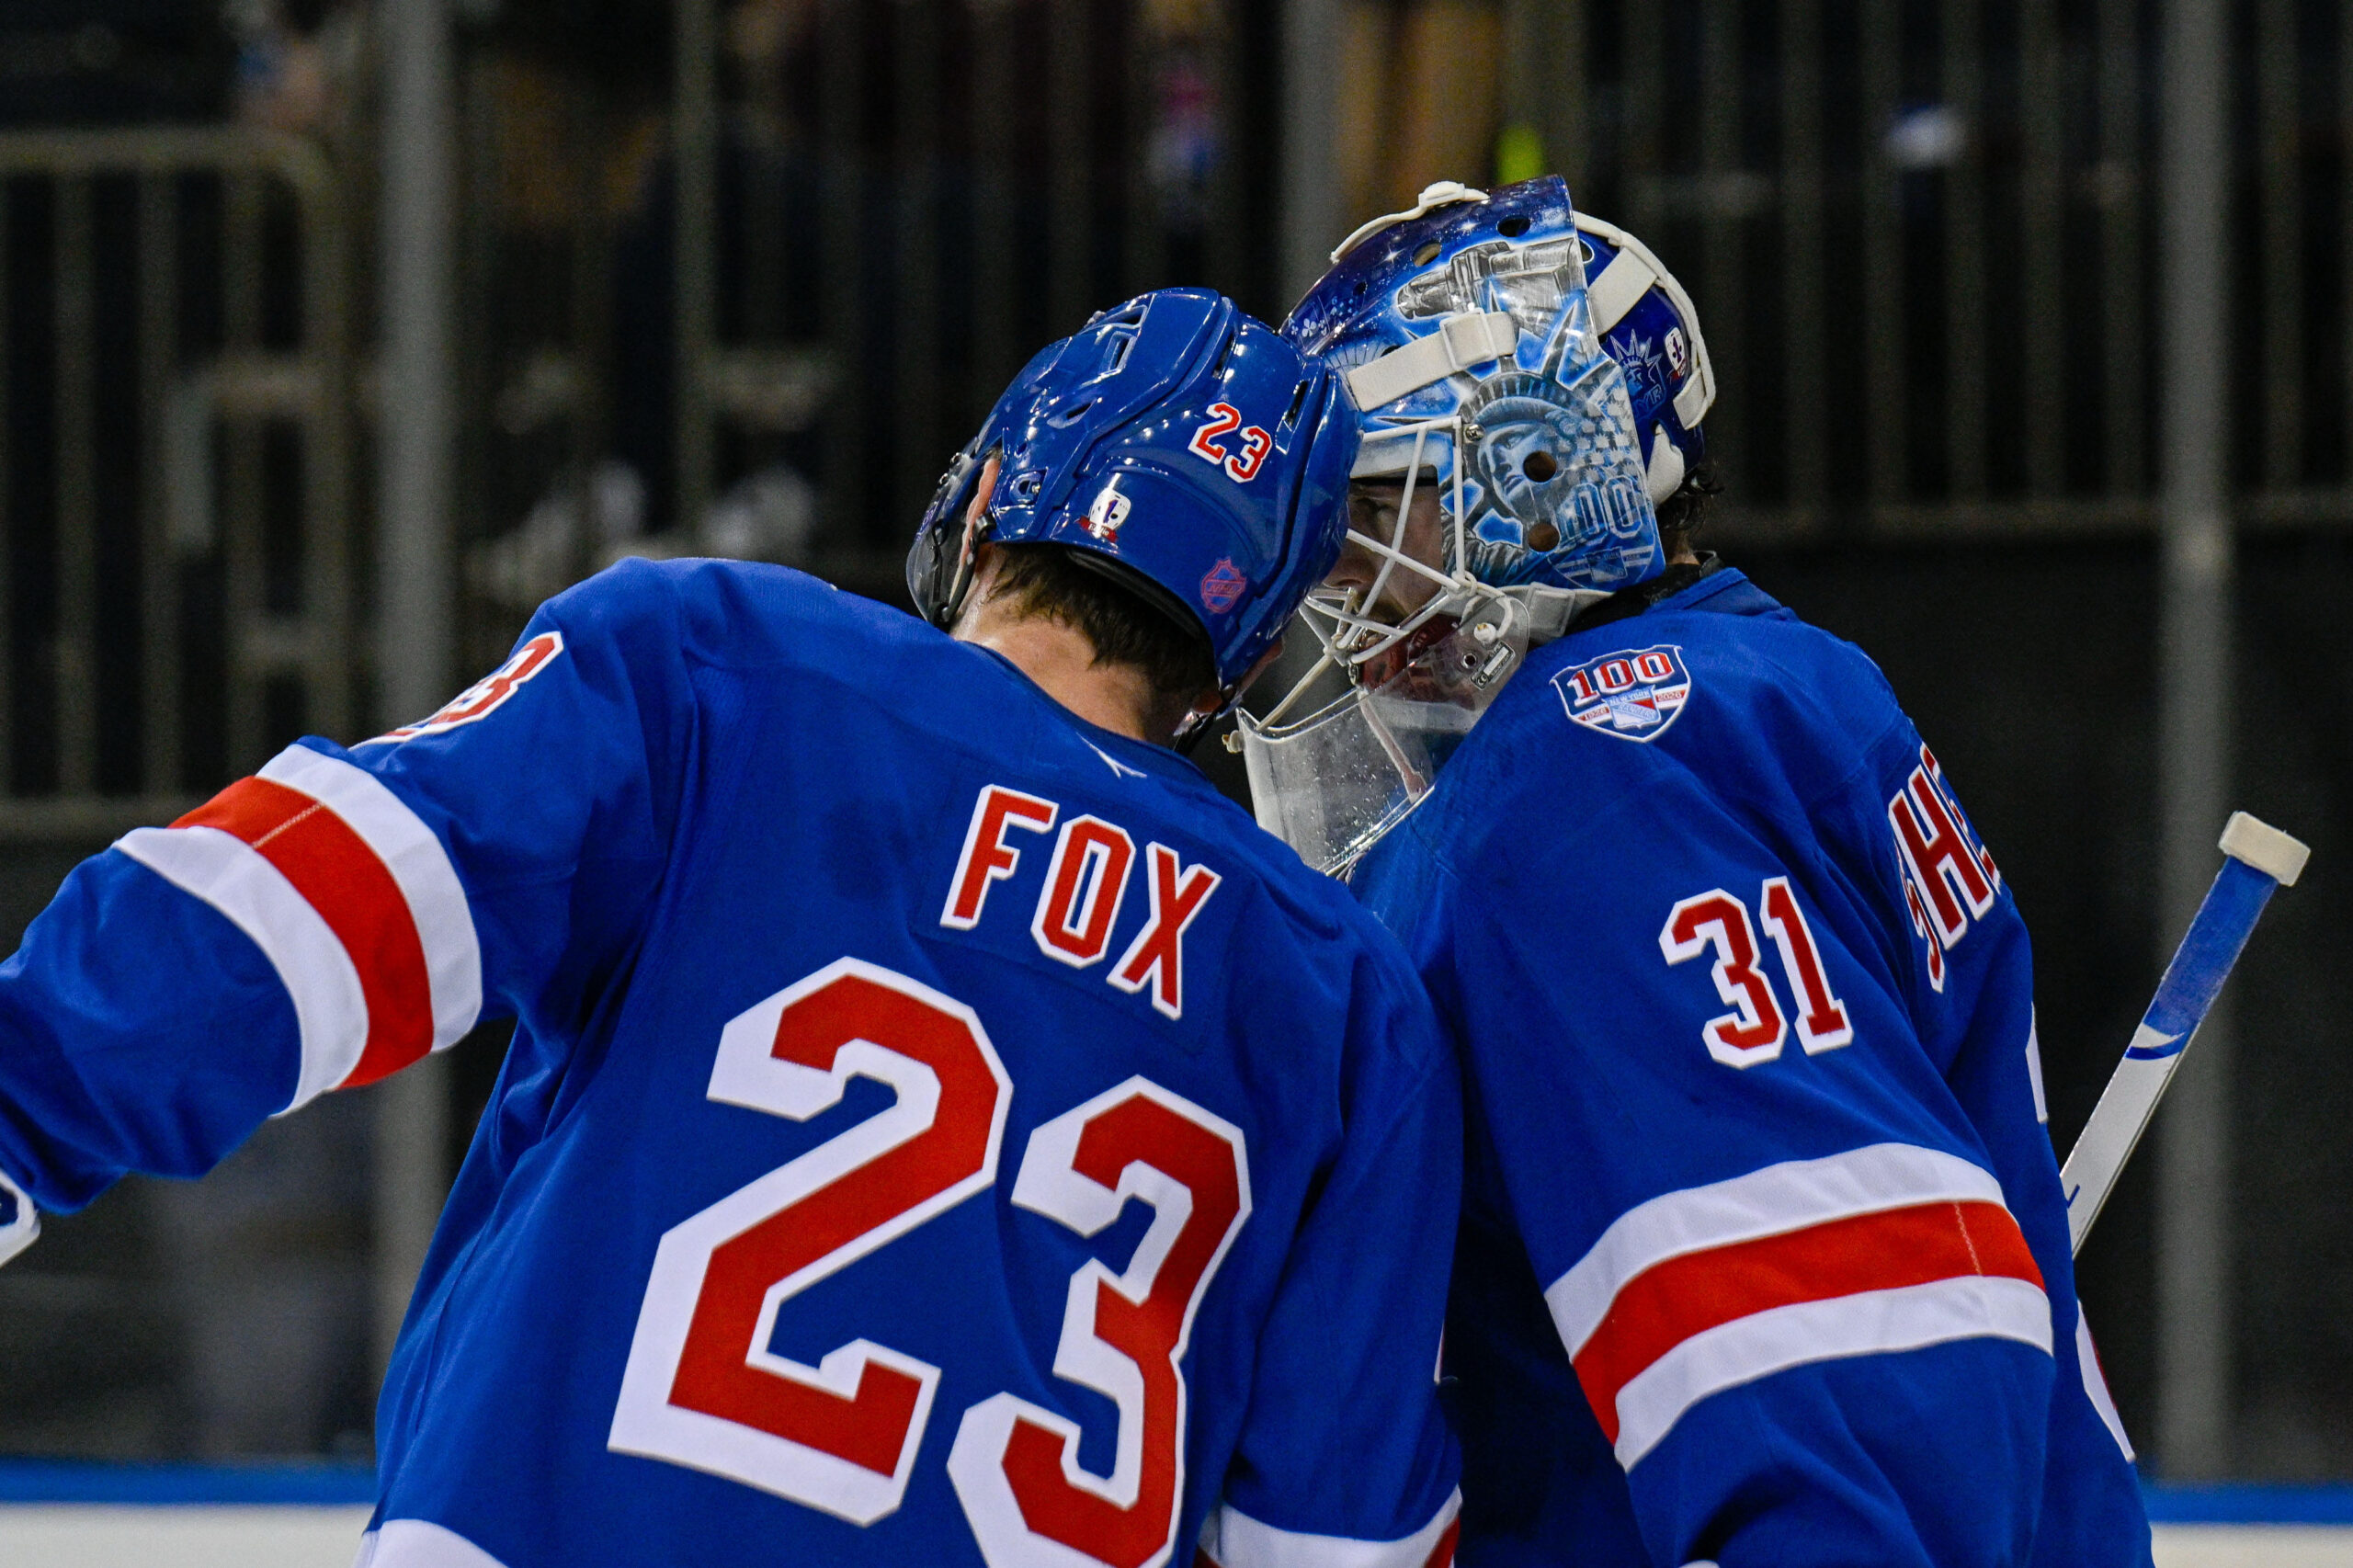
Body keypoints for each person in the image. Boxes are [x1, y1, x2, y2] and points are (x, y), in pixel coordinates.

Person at [0, 288, 1465, 1568]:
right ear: (1250, 650)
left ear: (992, 490)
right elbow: (1340, 1541)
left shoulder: (725, 666)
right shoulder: (1344, 994)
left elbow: (309, 905)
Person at [1240, 179, 2153, 1567]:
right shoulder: (1767, 685)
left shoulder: (1594, 771)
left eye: (1382, 509)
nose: (1339, 584)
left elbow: (1823, 1352)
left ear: (1544, 467)